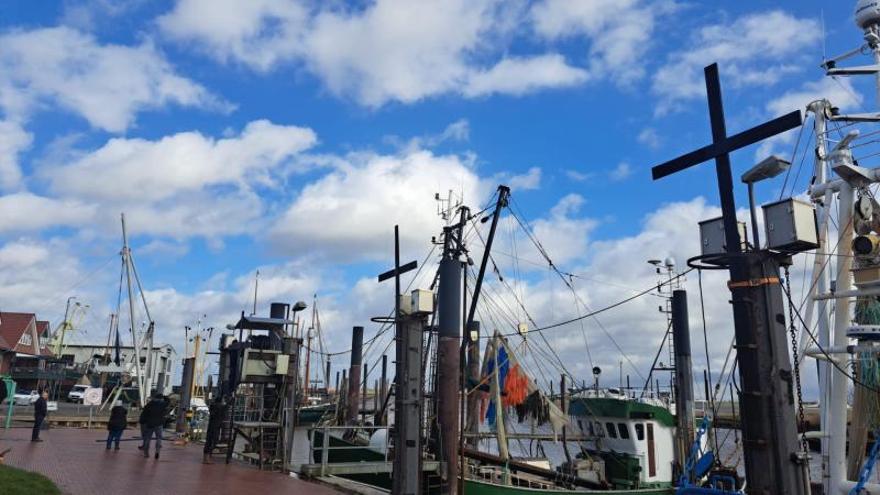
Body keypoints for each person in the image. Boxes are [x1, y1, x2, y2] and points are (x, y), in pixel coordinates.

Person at [139, 393, 167, 459]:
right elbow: (168, 401)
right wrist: (164, 397)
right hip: (159, 424)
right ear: (161, 399)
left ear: (155, 398)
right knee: (159, 438)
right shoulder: (162, 404)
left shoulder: (149, 404)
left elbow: (144, 413)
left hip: (150, 423)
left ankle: (146, 453)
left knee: (147, 438)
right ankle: (157, 451)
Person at [203, 396, 229, 464]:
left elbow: (224, 408)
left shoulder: (213, 406)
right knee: (213, 441)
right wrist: (230, 401)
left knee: (209, 441)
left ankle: (206, 457)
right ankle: (206, 458)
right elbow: (226, 408)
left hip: (212, 425)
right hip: (216, 426)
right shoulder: (219, 407)